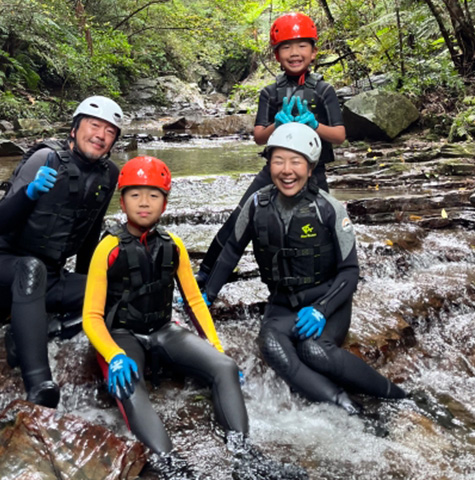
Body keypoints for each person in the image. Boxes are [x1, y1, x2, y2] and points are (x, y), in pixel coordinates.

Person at [82, 156, 307, 480]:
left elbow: (194, 302)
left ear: (165, 202)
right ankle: (172, 467)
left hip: (162, 328)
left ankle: (244, 456)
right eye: (135, 195)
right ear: (122, 201)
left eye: (154, 196)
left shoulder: (172, 246)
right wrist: (114, 355)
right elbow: (91, 316)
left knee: (224, 367)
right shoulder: (108, 248)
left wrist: (215, 345)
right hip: (121, 336)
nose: (144, 203)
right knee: (129, 383)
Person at [204, 123, 406, 415]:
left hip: (328, 303)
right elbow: (231, 252)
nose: (287, 170)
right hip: (282, 304)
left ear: (310, 169)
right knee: (272, 346)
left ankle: (398, 396)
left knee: (315, 350)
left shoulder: (329, 209)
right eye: (278, 161)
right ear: (269, 164)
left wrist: (321, 309)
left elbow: (349, 272)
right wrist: (207, 295)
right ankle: (347, 406)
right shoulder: (256, 206)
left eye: (296, 162)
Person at [0, 95, 124, 408]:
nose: (100, 135)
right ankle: (40, 385)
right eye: (94, 125)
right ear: (74, 129)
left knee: (115, 284)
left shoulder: (108, 175)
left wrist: (89, 284)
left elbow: (90, 232)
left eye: (109, 131)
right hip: (2, 269)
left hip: (52, 279)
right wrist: (28, 195)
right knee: (32, 269)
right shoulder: (44, 159)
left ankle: (26, 331)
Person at [196, 12, 346, 286]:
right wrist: (276, 125)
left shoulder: (324, 91)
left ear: (314, 52)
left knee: (322, 226)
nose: (294, 53)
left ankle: (327, 282)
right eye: (286, 47)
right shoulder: (270, 92)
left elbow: (339, 135)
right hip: (273, 171)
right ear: (277, 55)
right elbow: (258, 136)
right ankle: (206, 274)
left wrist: (314, 125)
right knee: (240, 217)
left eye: (302, 46)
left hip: (314, 172)